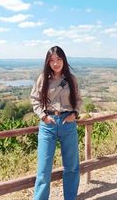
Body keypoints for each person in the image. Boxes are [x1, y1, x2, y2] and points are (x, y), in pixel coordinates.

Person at [30, 46, 82, 200]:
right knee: (44, 170)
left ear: (64, 60)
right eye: (52, 60)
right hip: (48, 125)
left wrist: (74, 114)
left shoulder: (71, 79)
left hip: (68, 123)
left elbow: (78, 99)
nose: (55, 63)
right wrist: (43, 116)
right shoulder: (43, 79)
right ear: (47, 62)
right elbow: (34, 99)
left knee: (72, 167)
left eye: (58, 59)